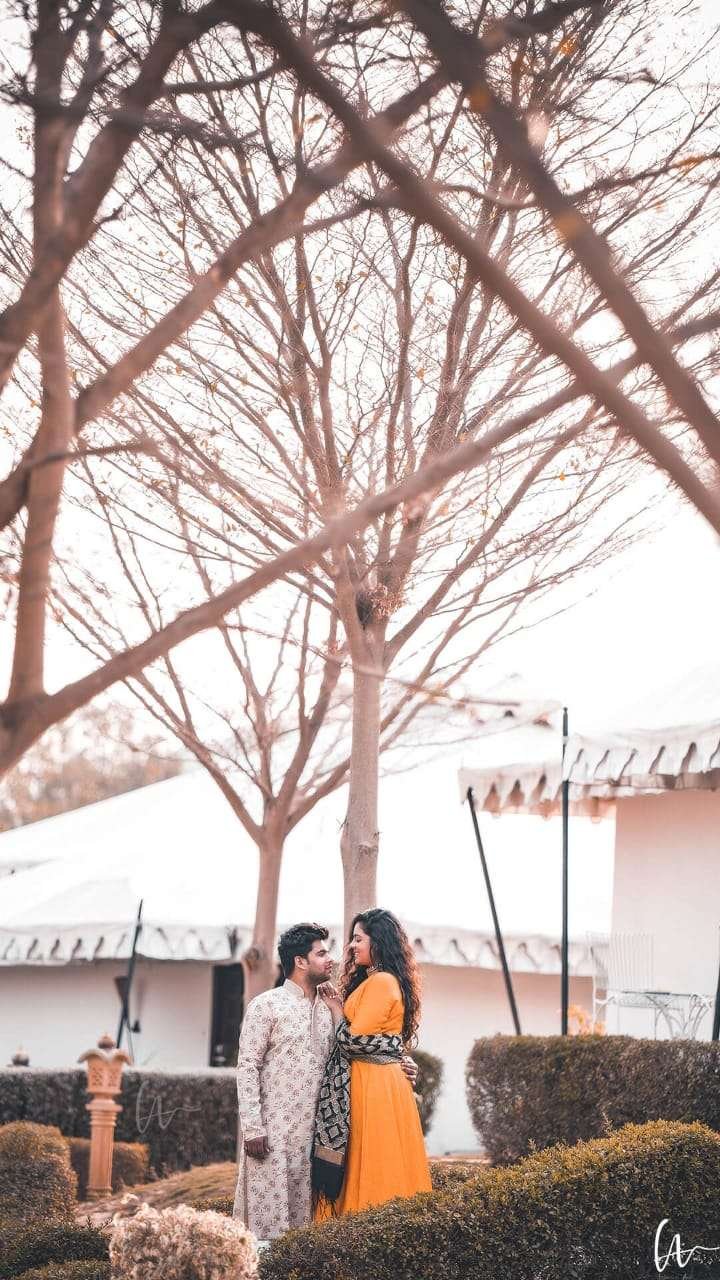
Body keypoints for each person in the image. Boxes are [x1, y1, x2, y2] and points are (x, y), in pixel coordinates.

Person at [233, 920, 418, 1242]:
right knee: (267, 1226)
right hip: (273, 1134)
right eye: (321, 954)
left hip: (320, 1138)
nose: (331, 958)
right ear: (300, 961)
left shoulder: (332, 1008)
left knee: (310, 1230)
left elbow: (359, 1049)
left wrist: (401, 1060)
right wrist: (252, 1127)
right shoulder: (266, 1006)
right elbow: (247, 1066)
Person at [312, 907, 432, 1217]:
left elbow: (353, 1041)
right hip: (374, 1079)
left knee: (374, 1164)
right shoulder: (375, 980)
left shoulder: (382, 982)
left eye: (358, 939)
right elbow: (383, 1039)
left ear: (378, 941)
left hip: (374, 1084)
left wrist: (337, 1010)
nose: (352, 946)